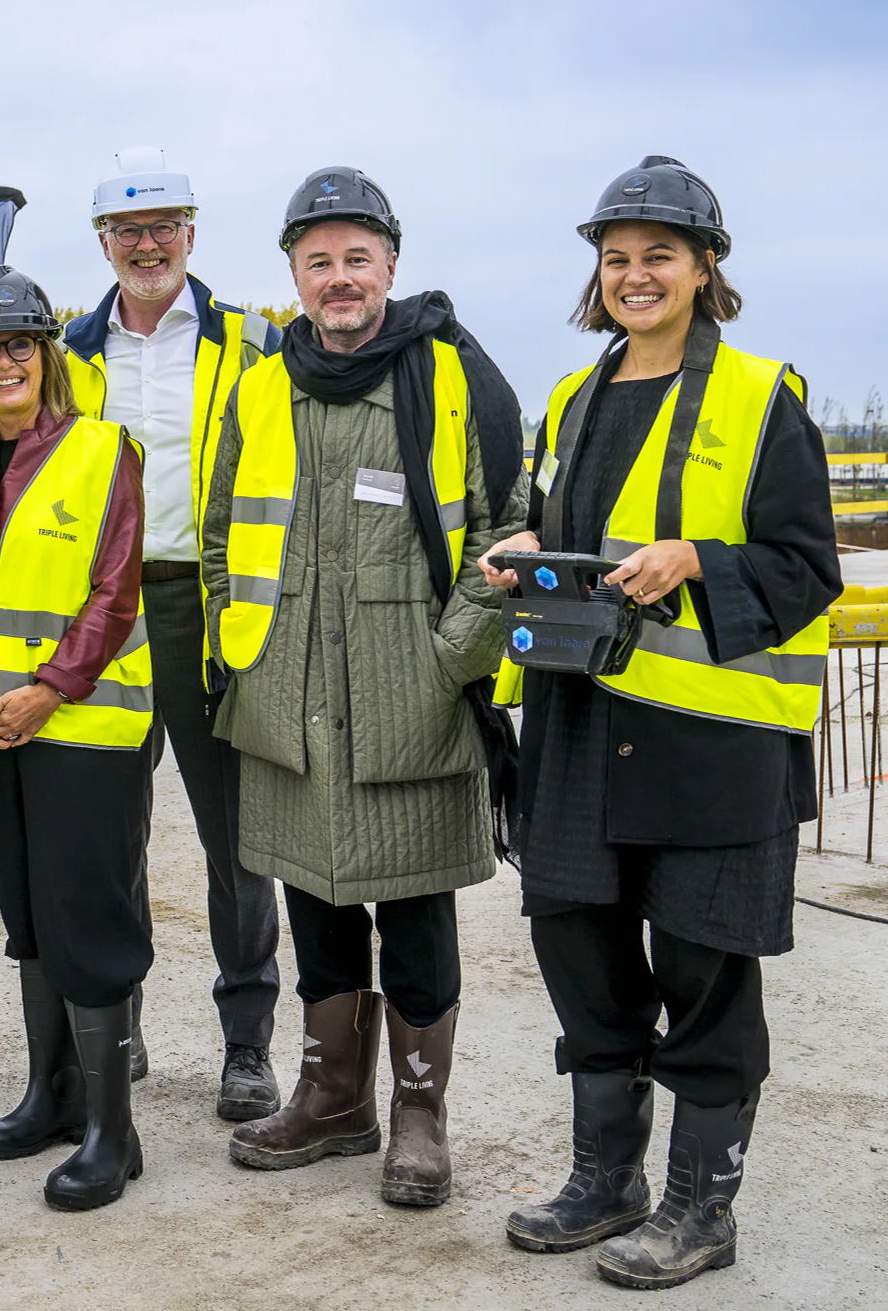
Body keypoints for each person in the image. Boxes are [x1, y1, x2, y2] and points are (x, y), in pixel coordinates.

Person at [480, 156, 837, 1289]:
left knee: (704, 968)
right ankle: (608, 1178)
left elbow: (805, 565)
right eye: (617, 259)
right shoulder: (575, 401)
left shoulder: (761, 395)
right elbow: (575, 547)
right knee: (578, 948)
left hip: (709, 745)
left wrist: (703, 561)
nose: (635, 276)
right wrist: (528, 554)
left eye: (659, 257)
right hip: (582, 732)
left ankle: (700, 1207)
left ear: (705, 268)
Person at [204, 166, 526, 1206]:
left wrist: (452, 656)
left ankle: (420, 1114)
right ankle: (335, 1098)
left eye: (356, 258)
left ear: (391, 262)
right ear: (292, 272)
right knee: (316, 900)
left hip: (410, 688)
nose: (338, 279)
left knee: (417, 906)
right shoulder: (259, 381)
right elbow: (220, 537)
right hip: (287, 685)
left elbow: (505, 527)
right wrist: (241, 641)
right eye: (318, 261)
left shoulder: (448, 375)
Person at [0, 263, 154, 1211]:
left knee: (88, 921)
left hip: (84, 730)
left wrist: (51, 688)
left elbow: (115, 590)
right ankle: (50, 1097)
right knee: (31, 918)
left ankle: (112, 1132)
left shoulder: (103, 449)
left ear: (46, 356)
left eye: (17, 345)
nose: (0, 362)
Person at [60, 148, 284, 1120]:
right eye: (128, 230)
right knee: (110, 835)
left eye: (165, 226)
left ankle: (246, 1045)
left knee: (237, 838)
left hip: (210, 607)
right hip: (105, 611)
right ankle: (123, 1021)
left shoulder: (253, 343)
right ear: (103, 242)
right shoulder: (67, 350)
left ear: (192, 233)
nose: (147, 244)